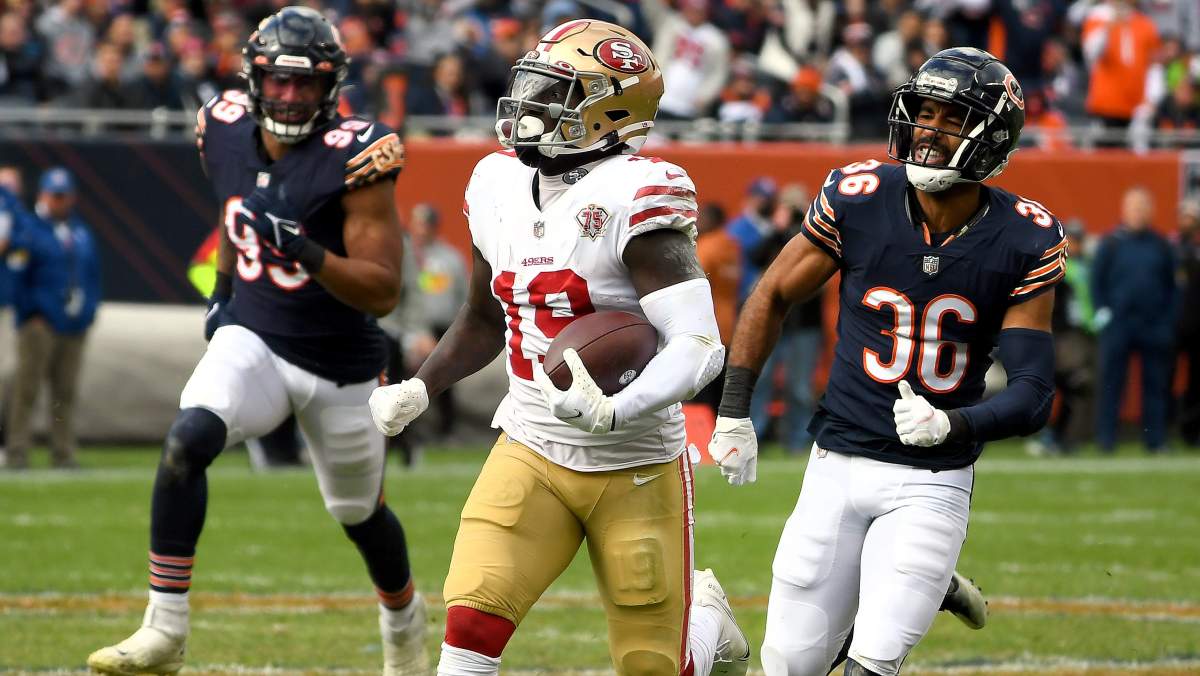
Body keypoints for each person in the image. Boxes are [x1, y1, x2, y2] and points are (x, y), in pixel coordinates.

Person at [369, 19, 750, 676]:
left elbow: (699, 345)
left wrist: (618, 409)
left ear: (612, 111)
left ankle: (707, 620)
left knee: (652, 666)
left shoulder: (637, 192)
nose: (532, 104)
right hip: (532, 445)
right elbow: (483, 317)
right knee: (469, 631)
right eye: (533, 85)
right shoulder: (494, 181)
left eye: (557, 92)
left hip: (634, 463)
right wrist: (421, 386)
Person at [87, 7, 429, 676]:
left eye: (306, 83)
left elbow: (383, 291)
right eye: (278, 81)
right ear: (254, 79)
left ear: (330, 86)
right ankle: (164, 627)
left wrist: (304, 250)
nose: (291, 96)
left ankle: (403, 622)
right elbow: (234, 207)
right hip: (258, 337)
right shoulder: (222, 127)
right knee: (187, 440)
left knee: (360, 514)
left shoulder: (356, 152)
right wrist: (222, 291)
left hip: (341, 364)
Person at [709, 48, 1060, 675]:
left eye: (951, 118)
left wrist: (953, 424)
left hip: (931, 477)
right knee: (790, 665)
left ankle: (917, 575)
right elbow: (773, 293)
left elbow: (1034, 391)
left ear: (992, 137)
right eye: (923, 113)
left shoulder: (1025, 236)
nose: (928, 130)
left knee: (870, 665)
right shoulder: (860, 197)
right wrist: (733, 410)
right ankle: (909, 582)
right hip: (837, 461)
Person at [5, 167, 101, 470]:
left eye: (64, 196)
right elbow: (16, 276)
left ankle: (63, 453)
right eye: (54, 195)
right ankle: (17, 452)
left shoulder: (80, 232)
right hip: (40, 324)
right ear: (43, 195)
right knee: (27, 389)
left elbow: (92, 276)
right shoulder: (29, 230)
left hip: (74, 324)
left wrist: (89, 313)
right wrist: (31, 313)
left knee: (65, 393)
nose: (59, 201)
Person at [1091, 186, 1178, 454]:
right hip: (1118, 324)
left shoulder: (1161, 245)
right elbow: (1097, 282)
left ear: (1151, 211)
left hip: (1153, 324)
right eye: (1134, 207)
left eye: (1143, 207)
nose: (1138, 213)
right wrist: (1102, 311)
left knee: (1155, 385)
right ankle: (1106, 439)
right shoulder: (1111, 243)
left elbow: (1172, 287)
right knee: (1112, 383)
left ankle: (1156, 440)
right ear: (1125, 210)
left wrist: (1167, 321)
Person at [1177, 198, 1200, 447]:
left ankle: (1191, 432)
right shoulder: (1170, 247)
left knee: (1195, 382)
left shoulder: (1195, 250)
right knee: (1164, 379)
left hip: (1195, 325)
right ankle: (1165, 431)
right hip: (1172, 323)